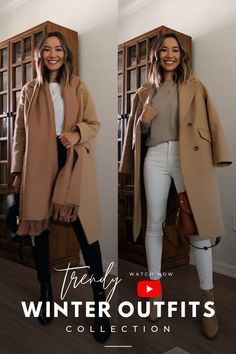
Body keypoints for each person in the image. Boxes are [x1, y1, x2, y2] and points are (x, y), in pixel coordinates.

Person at [120, 32, 232, 339]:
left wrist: (221, 154)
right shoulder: (143, 92)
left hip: (189, 158)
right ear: (155, 55)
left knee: (200, 227)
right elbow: (134, 137)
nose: (170, 55)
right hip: (154, 158)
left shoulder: (195, 86)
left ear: (182, 56)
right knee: (154, 224)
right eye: (164, 50)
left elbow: (213, 119)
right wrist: (143, 121)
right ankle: (154, 293)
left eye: (175, 51)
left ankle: (208, 301)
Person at [11, 31, 110, 343]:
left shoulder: (79, 86)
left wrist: (76, 133)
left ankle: (100, 303)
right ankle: (45, 292)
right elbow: (20, 134)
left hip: (71, 162)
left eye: (58, 49)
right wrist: (17, 170)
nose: (52, 54)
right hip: (37, 164)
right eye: (47, 50)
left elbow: (95, 123)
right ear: (39, 55)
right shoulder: (28, 90)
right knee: (40, 233)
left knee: (86, 235)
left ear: (65, 54)